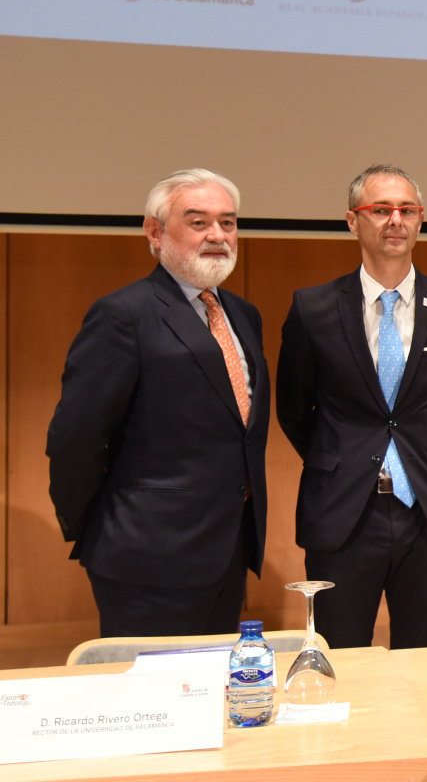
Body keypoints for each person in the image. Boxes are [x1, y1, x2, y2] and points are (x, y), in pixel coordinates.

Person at [47, 169, 270, 637]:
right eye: (198, 222)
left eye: (228, 223)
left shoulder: (243, 315)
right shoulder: (123, 314)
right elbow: (75, 438)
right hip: (145, 555)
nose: (218, 236)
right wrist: (98, 525)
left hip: (226, 547)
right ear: (155, 232)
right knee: (152, 704)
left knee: (213, 695)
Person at [277, 165, 427, 649]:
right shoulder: (314, 308)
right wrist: (342, 458)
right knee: (341, 657)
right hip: (344, 511)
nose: (395, 220)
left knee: (426, 656)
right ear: (353, 221)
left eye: (407, 210)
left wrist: (416, 458)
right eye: (381, 210)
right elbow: (293, 408)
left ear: (420, 220)